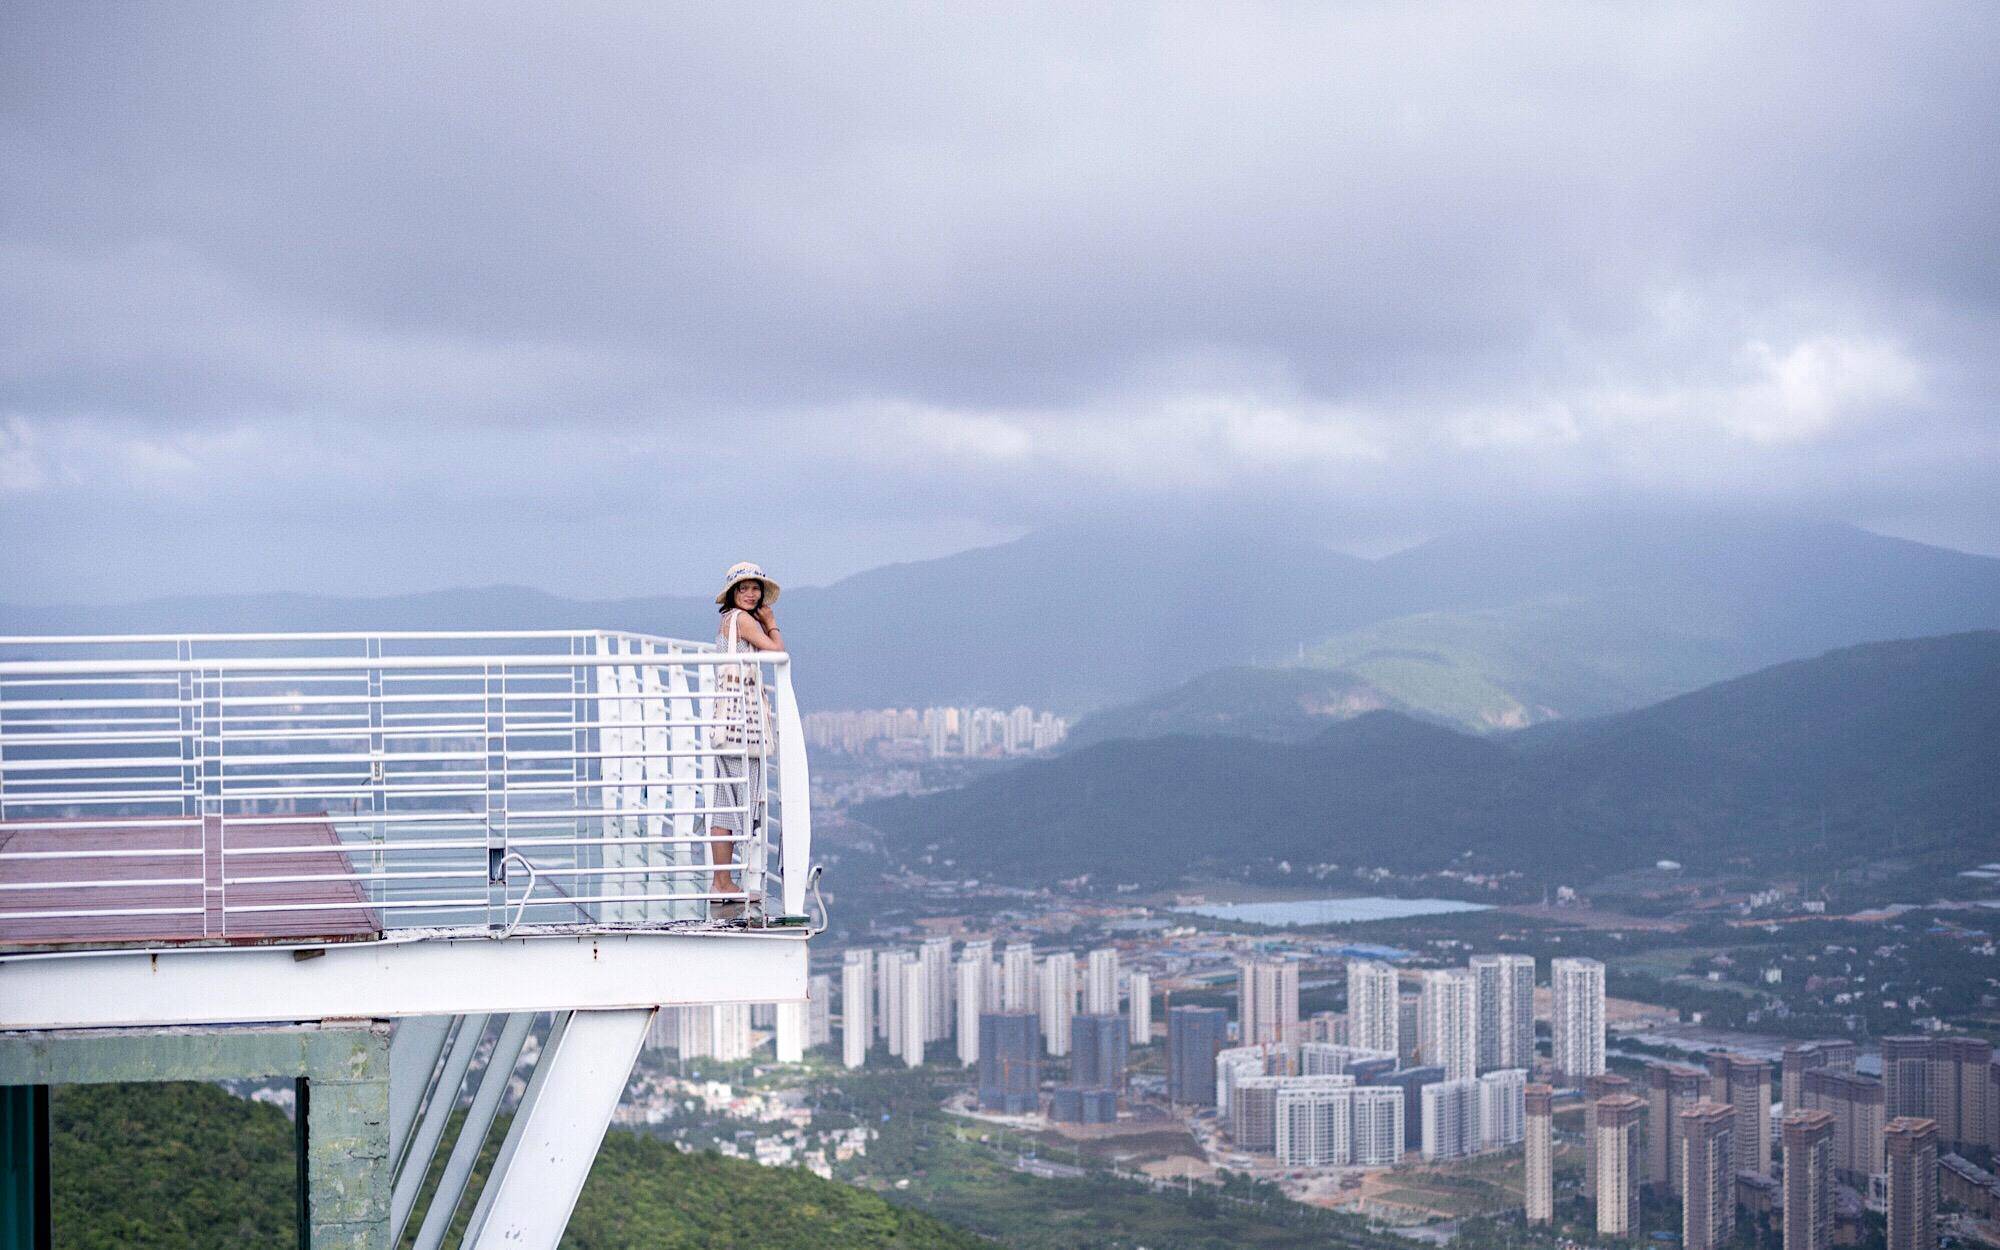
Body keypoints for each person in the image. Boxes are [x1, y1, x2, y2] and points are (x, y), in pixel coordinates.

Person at [710, 561, 784, 920]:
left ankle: (721, 881)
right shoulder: (745, 621)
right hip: (744, 724)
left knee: (725, 803)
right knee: (745, 800)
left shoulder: (728, 621)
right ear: (734, 595)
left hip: (726, 721)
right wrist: (771, 621)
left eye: (755, 588)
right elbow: (777, 651)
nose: (751, 593)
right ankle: (733, 880)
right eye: (744, 589)